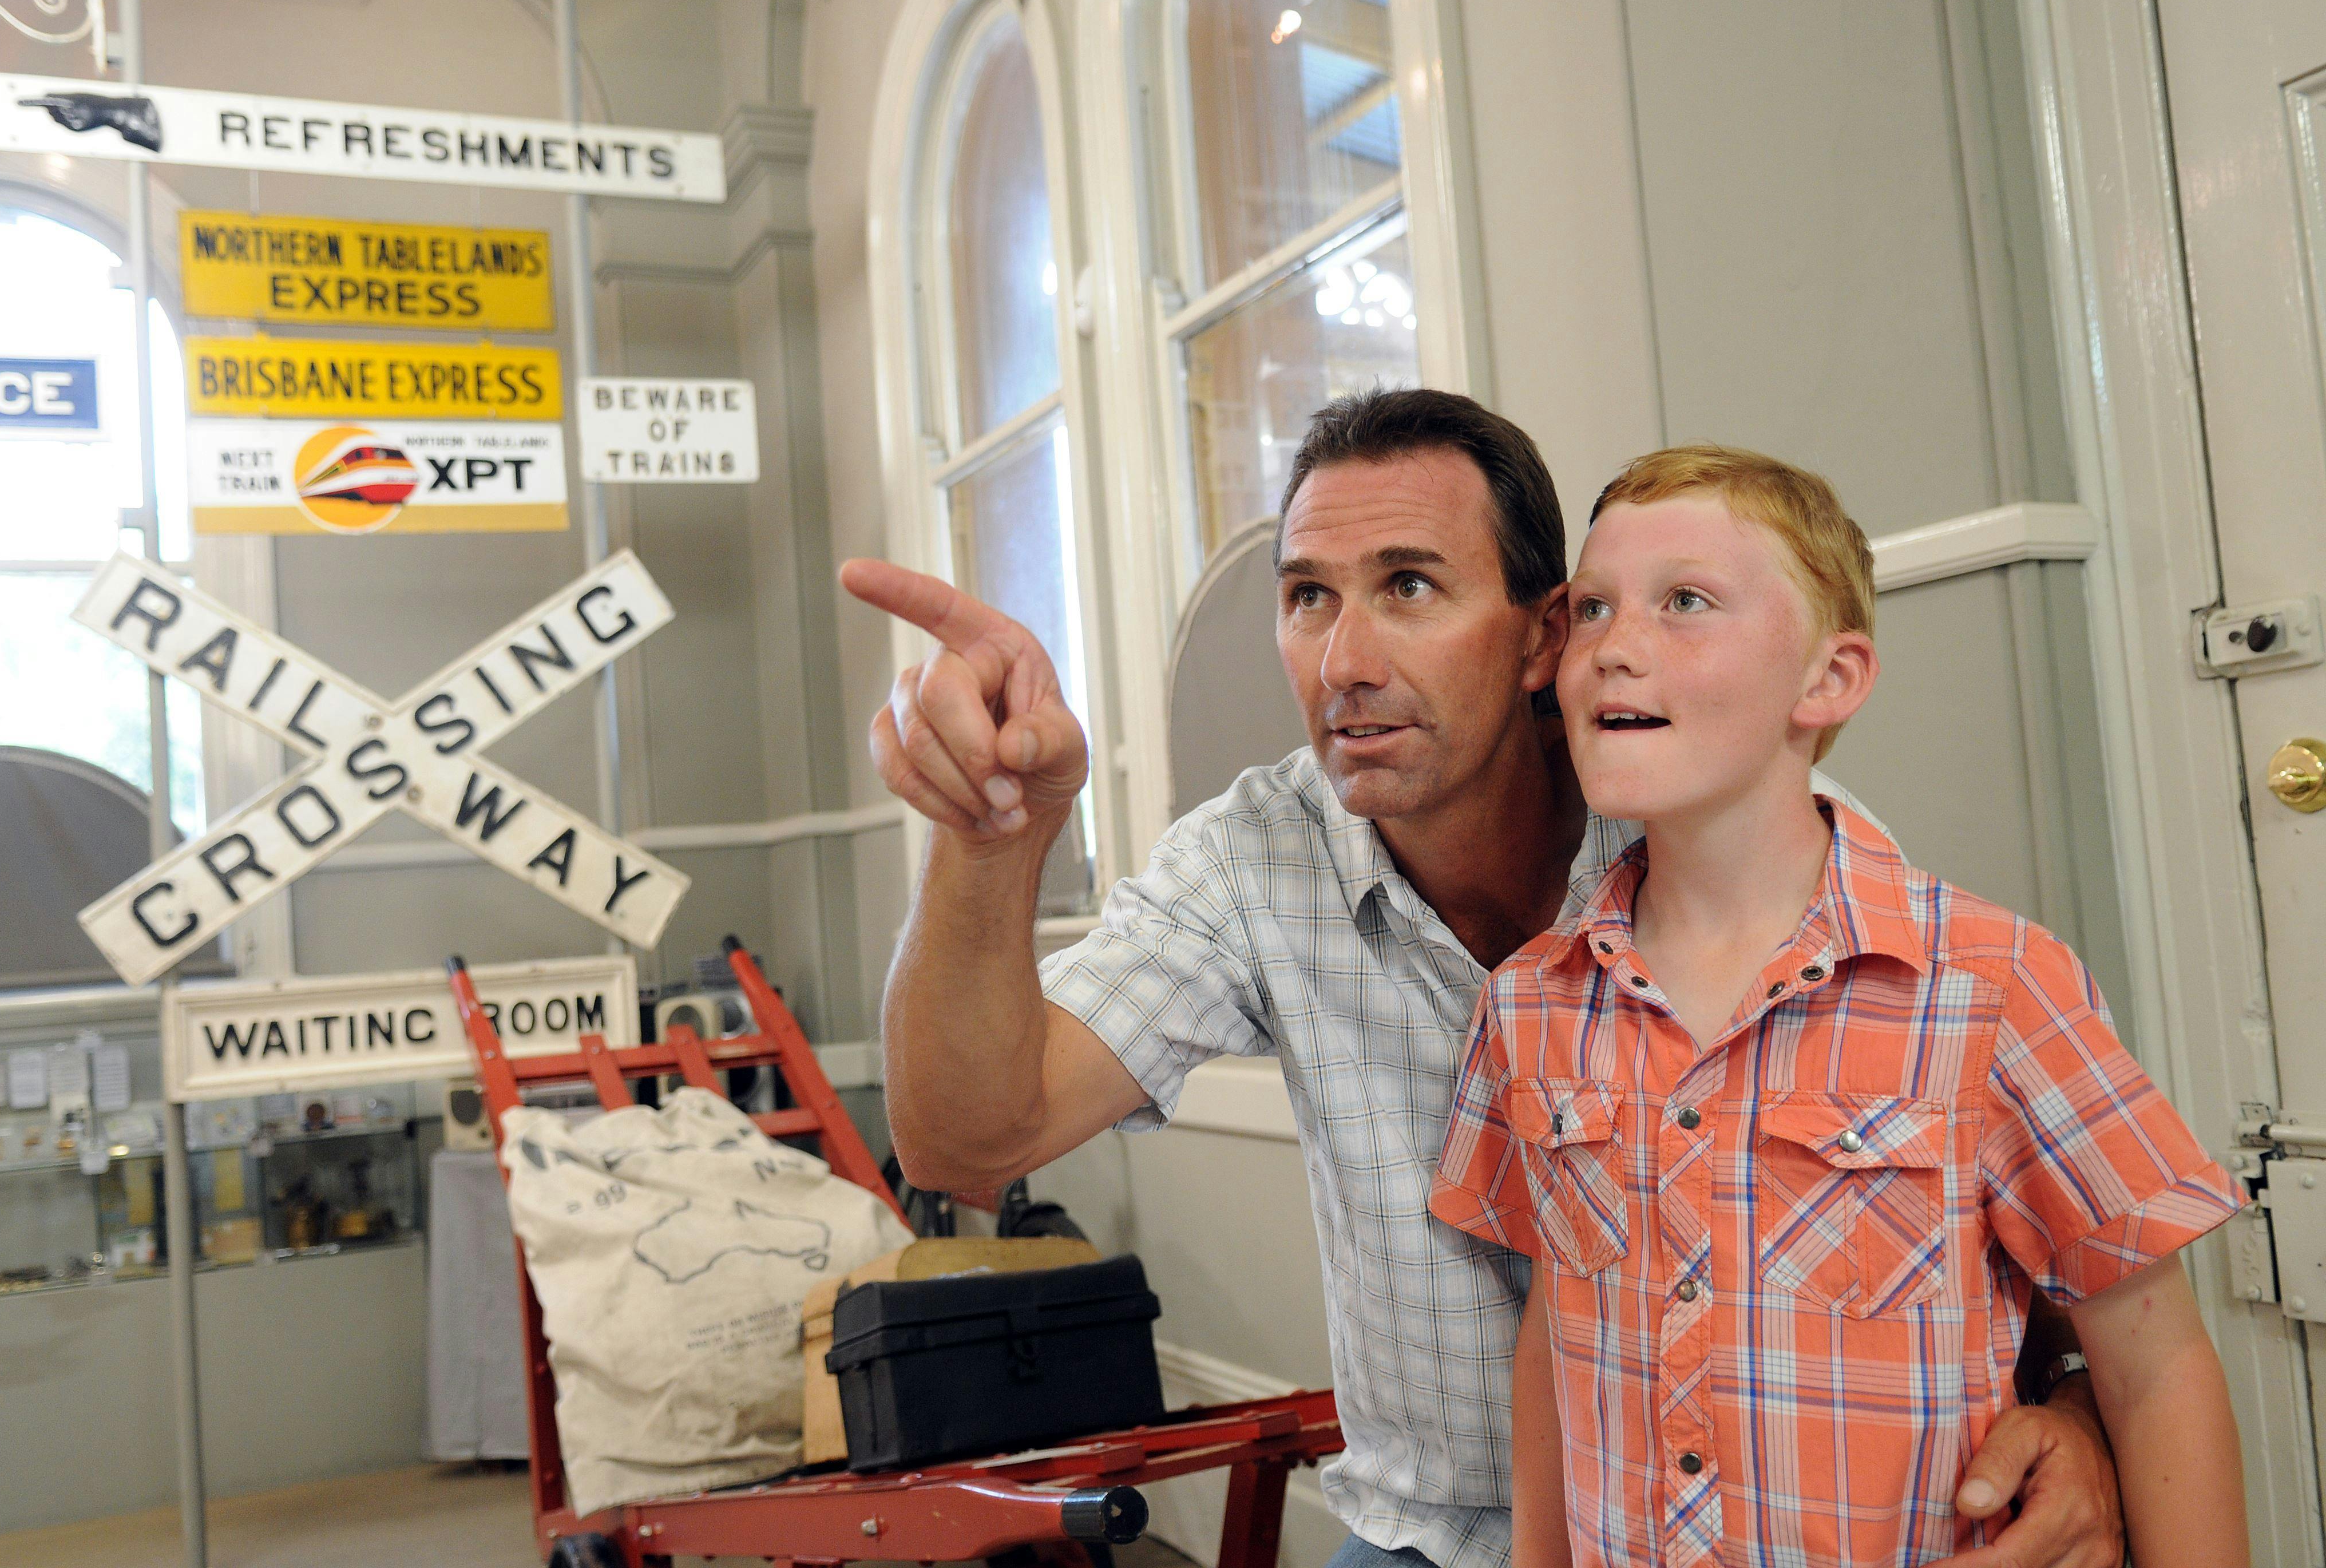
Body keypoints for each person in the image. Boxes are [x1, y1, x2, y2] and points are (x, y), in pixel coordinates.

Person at [841, 388, 2127, 1567]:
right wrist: (990, 839)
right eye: (1307, 597)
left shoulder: (1749, 838)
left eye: (1408, 585)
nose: (1342, 661)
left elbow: (1984, 1190)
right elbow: (964, 1139)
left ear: (1540, 636)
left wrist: (2071, 1403)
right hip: (1434, 1529)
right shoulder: (1251, 860)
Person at [1429, 444, 2245, 1567]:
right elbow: (1552, 1335)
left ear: (1828, 680)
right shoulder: (1529, 1003)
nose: (1613, 646)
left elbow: (2155, 1366)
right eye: (1593, 609)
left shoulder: (1989, 985)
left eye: (1685, 602)